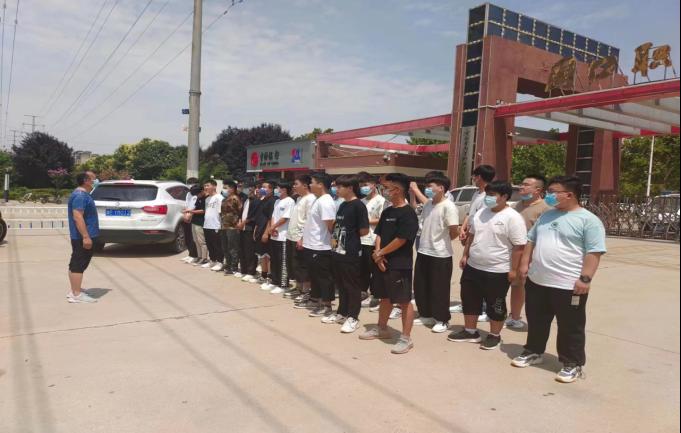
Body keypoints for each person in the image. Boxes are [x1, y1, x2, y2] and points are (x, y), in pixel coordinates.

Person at [512, 176, 606, 384]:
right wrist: (524, 264)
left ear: (569, 194)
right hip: (538, 280)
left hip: (568, 285)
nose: (549, 195)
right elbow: (531, 240)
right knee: (536, 320)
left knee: (570, 326)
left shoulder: (588, 220)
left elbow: (594, 252)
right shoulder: (547, 215)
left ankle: (572, 363)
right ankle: (533, 350)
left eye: (553, 192)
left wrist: (585, 279)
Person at [448, 180, 527, 350]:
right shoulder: (481, 212)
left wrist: (513, 270)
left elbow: (519, 247)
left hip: (498, 269)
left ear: (504, 196)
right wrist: (465, 255)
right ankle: (470, 331)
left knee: (495, 303)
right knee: (469, 299)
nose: (487, 198)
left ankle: (494, 335)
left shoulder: (513, 218)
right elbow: (472, 235)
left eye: (492, 195)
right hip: (473, 266)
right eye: (487, 195)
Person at [359, 173, 419, 355]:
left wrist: (381, 253)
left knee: (403, 301)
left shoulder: (408, 213)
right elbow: (379, 234)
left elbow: (402, 239)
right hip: (381, 261)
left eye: (386, 188)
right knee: (384, 297)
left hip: (399, 264)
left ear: (397, 190)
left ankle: (406, 338)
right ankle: (382, 328)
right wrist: (378, 254)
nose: (384, 191)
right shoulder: (387, 211)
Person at [412, 173, 460, 333]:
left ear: (441, 188)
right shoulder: (428, 204)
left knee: (439, 288)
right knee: (421, 285)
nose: (427, 189)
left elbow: (454, 231)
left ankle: (442, 319)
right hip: (423, 251)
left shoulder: (449, 206)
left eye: (430, 186)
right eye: (426, 186)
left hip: (440, 254)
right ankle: (426, 314)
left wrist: (441, 241)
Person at [324, 175, 369, 333]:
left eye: (339, 187)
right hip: (337, 249)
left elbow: (364, 230)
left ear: (350, 188)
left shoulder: (358, 206)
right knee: (341, 284)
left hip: (350, 251)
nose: (336, 189)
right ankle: (342, 313)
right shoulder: (343, 204)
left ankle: (353, 317)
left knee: (352, 285)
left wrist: (349, 236)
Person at [505, 174, 552, 329]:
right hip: (511, 252)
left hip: (529, 255)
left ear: (538, 190)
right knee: (513, 285)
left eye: (526, 185)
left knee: (524, 287)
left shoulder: (546, 209)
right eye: (522, 184)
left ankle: (517, 317)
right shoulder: (516, 206)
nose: (521, 187)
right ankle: (510, 315)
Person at [452, 164, 496, 319]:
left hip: (479, 236)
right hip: (470, 233)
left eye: (475, 176)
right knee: (469, 269)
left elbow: (482, 219)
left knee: (480, 271)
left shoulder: (489, 196)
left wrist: (470, 232)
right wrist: (463, 229)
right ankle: (468, 302)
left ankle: (482, 305)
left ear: (480, 177)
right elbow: (470, 214)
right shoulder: (476, 193)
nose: (473, 179)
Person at [295, 172, 337, 316]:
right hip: (311, 245)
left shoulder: (326, 201)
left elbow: (330, 226)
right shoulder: (317, 200)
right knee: (314, 276)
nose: (310, 185)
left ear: (320, 184)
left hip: (321, 246)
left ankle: (326, 305)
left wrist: (332, 244)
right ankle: (316, 300)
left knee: (323, 278)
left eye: (312, 182)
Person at [66, 171, 100, 303]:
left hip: (83, 236)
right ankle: (76, 294)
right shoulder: (80, 196)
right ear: (86, 180)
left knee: (76, 263)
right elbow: (77, 216)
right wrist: (86, 236)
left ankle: (75, 289)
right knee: (78, 264)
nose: (96, 181)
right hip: (82, 237)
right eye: (93, 179)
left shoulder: (83, 195)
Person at [358, 172, 385, 308]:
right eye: (361, 185)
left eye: (366, 184)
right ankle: (363, 292)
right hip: (361, 240)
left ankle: (376, 295)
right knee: (362, 269)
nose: (363, 187)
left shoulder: (381, 201)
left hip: (373, 240)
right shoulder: (361, 201)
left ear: (374, 185)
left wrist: (366, 221)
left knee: (374, 269)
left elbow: (382, 219)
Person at [285, 175, 315, 300]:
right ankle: (298, 288)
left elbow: (309, 220)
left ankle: (306, 291)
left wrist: (302, 238)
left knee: (303, 266)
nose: (294, 186)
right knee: (295, 265)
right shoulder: (298, 198)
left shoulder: (311, 199)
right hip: (292, 236)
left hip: (301, 238)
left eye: (296, 184)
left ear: (305, 185)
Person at [264, 181, 295, 294]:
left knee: (282, 261)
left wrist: (273, 227)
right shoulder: (277, 201)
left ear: (285, 189)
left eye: (278, 188)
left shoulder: (290, 201)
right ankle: (275, 281)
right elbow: (273, 216)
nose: (276, 190)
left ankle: (283, 284)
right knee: (274, 260)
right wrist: (272, 228)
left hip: (283, 236)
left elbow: (285, 218)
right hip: (274, 235)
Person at [254, 181, 276, 286]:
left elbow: (270, 218)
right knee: (262, 255)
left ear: (271, 189)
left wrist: (266, 233)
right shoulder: (262, 200)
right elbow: (259, 217)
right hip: (260, 230)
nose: (262, 189)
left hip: (266, 232)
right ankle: (263, 275)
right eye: (261, 187)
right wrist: (256, 230)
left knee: (268, 255)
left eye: (264, 187)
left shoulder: (273, 201)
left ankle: (270, 277)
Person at [238, 184, 260, 282]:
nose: (248, 191)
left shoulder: (256, 201)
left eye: (250, 189)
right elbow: (241, 213)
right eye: (247, 189)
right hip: (242, 228)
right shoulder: (245, 200)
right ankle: (243, 269)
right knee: (242, 249)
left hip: (250, 228)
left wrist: (243, 223)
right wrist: (239, 222)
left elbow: (254, 217)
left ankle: (251, 272)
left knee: (250, 251)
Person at [220, 180, 242, 275]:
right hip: (224, 226)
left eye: (226, 188)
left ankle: (234, 267)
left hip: (233, 226)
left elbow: (241, 211)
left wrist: (239, 222)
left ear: (232, 189)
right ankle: (228, 265)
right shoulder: (225, 199)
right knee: (225, 247)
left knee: (233, 247)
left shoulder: (236, 198)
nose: (224, 190)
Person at [202, 179, 225, 271]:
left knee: (217, 245)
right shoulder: (207, 199)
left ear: (214, 186)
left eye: (208, 185)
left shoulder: (219, 198)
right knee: (210, 244)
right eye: (205, 186)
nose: (206, 187)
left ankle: (220, 262)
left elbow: (221, 213)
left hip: (216, 225)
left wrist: (221, 225)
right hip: (207, 225)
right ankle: (212, 260)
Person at [186, 185, 209, 266]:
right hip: (194, 221)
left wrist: (191, 211)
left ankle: (204, 258)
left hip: (200, 222)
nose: (196, 196)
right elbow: (194, 208)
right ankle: (199, 256)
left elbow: (203, 211)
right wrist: (189, 214)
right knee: (196, 241)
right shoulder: (198, 197)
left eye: (197, 194)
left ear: (202, 191)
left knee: (202, 241)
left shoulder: (206, 198)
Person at [179, 177, 199, 264]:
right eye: (189, 183)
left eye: (192, 184)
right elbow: (187, 205)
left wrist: (189, 215)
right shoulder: (188, 194)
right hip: (187, 215)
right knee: (187, 236)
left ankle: (195, 255)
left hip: (193, 217)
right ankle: (190, 254)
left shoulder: (197, 194)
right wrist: (185, 215)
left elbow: (194, 206)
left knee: (193, 238)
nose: (190, 185)